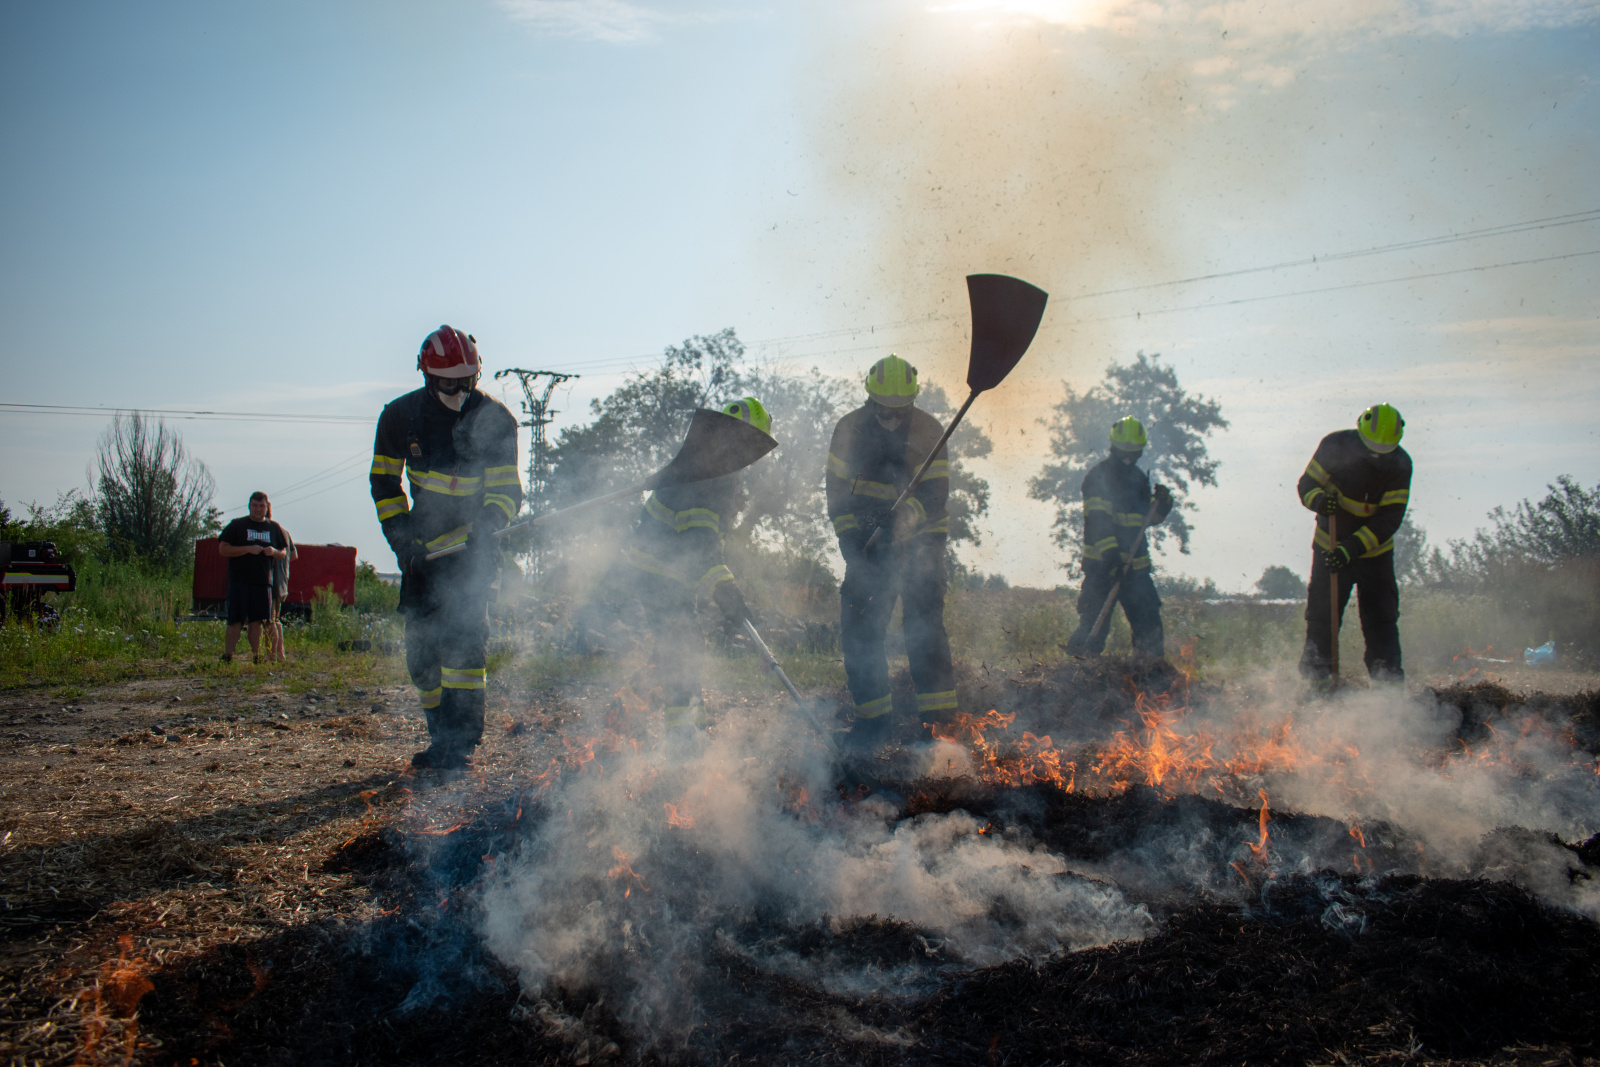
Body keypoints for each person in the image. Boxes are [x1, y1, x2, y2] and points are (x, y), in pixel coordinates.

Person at [370, 325, 522, 770]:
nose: (459, 389)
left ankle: (459, 746)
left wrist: (488, 526)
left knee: (463, 649)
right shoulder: (399, 418)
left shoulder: (496, 420)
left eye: (467, 379)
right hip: (422, 552)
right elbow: (384, 485)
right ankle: (441, 733)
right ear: (427, 377)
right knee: (420, 657)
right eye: (448, 381)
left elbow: (506, 492)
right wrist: (402, 543)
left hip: (474, 551)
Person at [602, 398, 769, 734]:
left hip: (663, 570)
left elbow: (697, 546)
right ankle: (683, 738)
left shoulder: (708, 463)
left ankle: (625, 709)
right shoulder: (710, 475)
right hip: (656, 571)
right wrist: (727, 592)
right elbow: (700, 544)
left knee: (674, 647)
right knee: (684, 647)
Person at [826, 355, 955, 751]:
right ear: (870, 399)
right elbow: (836, 496)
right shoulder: (848, 430)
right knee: (861, 631)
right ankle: (873, 725)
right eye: (884, 410)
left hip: (922, 546)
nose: (893, 418)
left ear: (912, 402)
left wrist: (902, 520)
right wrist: (853, 549)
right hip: (868, 546)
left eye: (901, 411)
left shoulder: (930, 430)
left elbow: (935, 496)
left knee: (925, 631)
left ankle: (937, 730)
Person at [1297, 403, 1412, 683]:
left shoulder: (1400, 464)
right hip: (1330, 547)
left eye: (1382, 450)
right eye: (1371, 447)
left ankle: (1389, 692)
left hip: (1374, 555)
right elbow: (1306, 486)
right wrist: (1321, 502)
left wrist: (1353, 548)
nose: (1375, 455)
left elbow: (1388, 520)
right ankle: (1319, 683)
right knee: (1323, 619)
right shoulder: (1334, 446)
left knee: (1381, 622)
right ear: (1360, 431)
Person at [1062, 417, 1173, 657]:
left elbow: (1146, 520)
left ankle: (1150, 678)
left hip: (1136, 569)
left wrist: (1162, 506)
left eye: (1134, 453)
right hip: (1102, 568)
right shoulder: (1098, 477)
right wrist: (1111, 558)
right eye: (1125, 452)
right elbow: (1097, 522)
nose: (1128, 458)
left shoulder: (1139, 479)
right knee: (1092, 626)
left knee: (1149, 625)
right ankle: (1073, 678)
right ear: (1113, 448)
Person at [218, 492, 289, 664]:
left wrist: (274, 552)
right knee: (235, 620)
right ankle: (228, 656)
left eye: (262, 506)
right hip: (239, 581)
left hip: (263, 582)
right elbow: (223, 549)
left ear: (267, 507)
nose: (258, 509)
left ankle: (256, 656)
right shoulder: (237, 525)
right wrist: (246, 549)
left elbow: (284, 552)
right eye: (255, 506)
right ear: (249, 506)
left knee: (257, 621)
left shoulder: (273, 527)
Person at [265, 501, 297, 663]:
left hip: (271, 581)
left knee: (269, 620)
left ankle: (271, 656)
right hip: (283, 581)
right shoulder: (284, 531)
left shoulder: (268, 531)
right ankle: (281, 654)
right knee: (276, 619)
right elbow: (294, 555)